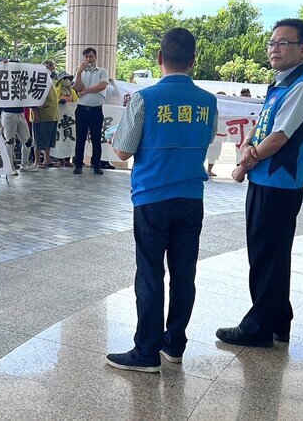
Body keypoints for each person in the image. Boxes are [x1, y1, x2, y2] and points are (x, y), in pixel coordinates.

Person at [106, 28, 217, 372]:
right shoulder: (208, 102)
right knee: (184, 273)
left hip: (152, 199)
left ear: (159, 58)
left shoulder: (145, 99)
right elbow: (208, 138)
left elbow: (121, 153)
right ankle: (175, 344)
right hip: (191, 199)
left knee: (151, 273)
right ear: (193, 60)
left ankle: (146, 352)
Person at [217, 18, 303, 348]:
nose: (275, 49)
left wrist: (247, 160)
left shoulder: (301, 87)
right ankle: (278, 321)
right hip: (267, 180)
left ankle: (257, 328)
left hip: (278, 184)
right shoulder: (281, 86)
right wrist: (248, 149)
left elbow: (277, 138)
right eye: (272, 43)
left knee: (266, 255)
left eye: (284, 43)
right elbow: (262, 129)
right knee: (272, 255)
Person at [72, 47, 109, 175]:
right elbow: (77, 88)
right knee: (80, 138)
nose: (89, 59)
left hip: (96, 110)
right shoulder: (79, 71)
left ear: (95, 57)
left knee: (96, 138)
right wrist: (78, 73)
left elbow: (102, 86)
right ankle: (78, 165)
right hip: (82, 109)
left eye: (91, 56)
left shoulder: (102, 71)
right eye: (86, 57)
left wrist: (86, 91)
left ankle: (96, 165)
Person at [33, 62, 60, 168]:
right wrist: (35, 114)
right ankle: (37, 160)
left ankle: (47, 159)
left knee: (49, 139)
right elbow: (33, 99)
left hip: (52, 114)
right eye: (51, 67)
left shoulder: (51, 81)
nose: (53, 70)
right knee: (39, 138)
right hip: (41, 114)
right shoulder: (37, 81)